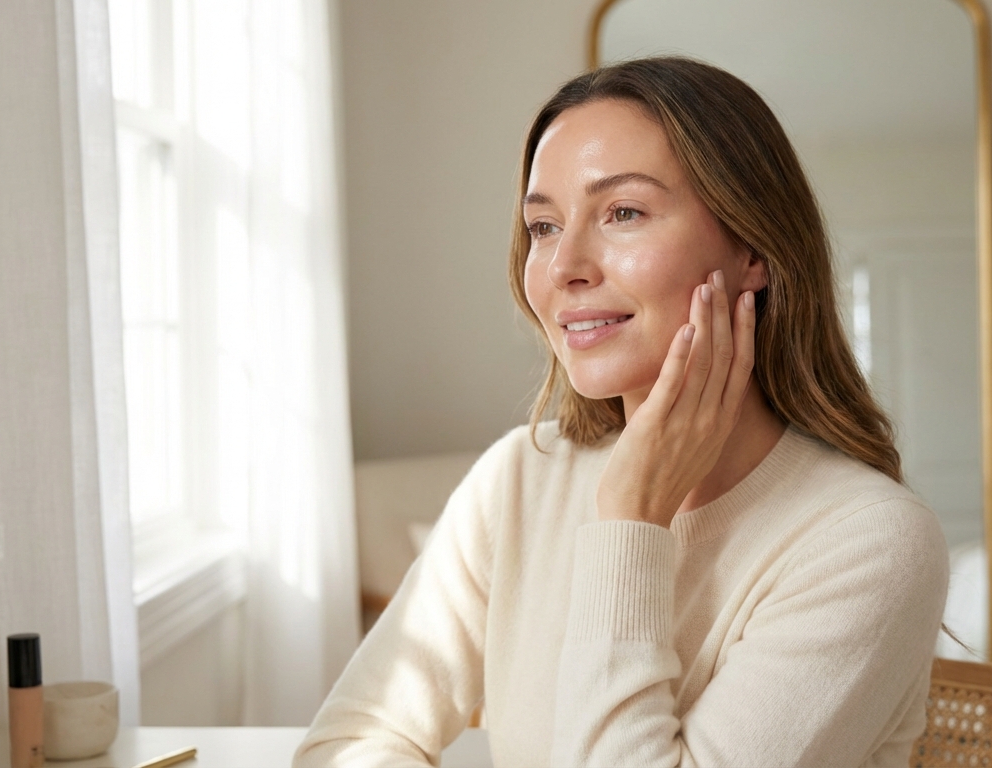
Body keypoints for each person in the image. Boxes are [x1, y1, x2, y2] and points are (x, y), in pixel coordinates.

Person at [295, 56, 948, 768]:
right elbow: (349, 741)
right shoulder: (520, 477)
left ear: (754, 250)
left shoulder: (870, 543)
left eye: (623, 213)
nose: (564, 265)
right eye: (542, 226)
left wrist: (632, 521)